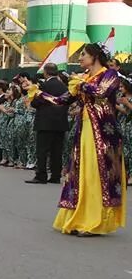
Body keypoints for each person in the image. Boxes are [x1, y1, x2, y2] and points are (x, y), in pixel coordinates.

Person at [32, 43, 126, 236]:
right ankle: (80, 218)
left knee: (96, 173)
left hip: (103, 134)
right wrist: (38, 93)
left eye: (83, 55)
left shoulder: (110, 75)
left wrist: (80, 84)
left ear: (95, 57)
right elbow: (62, 101)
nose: (80, 58)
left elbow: (101, 93)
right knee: (82, 173)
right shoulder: (84, 78)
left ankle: (96, 221)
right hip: (84, 132)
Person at [26, 63, 69, 184]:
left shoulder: (44, 86)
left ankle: (41, 175)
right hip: (60, 123)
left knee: (42, 150)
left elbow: (35, 102)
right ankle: (55, 175)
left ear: (46, 72)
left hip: (45, 123)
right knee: (57, 150)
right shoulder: (63, 86)